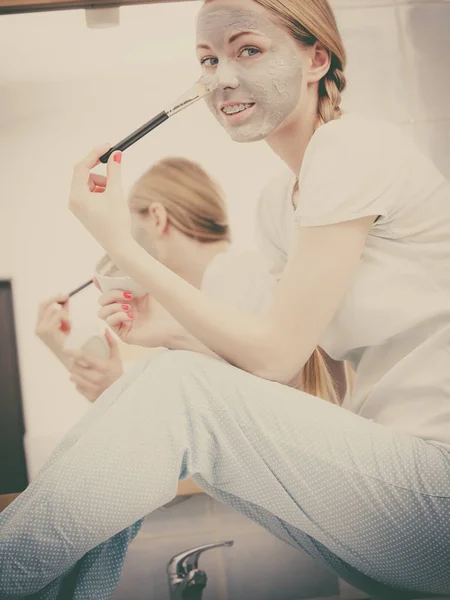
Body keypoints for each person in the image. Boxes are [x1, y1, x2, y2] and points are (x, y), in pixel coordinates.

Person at [1, 0, 449, 599]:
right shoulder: (277, 205)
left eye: (249, 50)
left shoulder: (353, 147)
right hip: (396, 491)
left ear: (317, 58)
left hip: (434, 489)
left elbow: (273, 358)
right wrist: (171, 333)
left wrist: (118, 244)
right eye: (208, 60)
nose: (222, 78)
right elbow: (294, 389)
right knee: (165, 388)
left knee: (176, 385)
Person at [35, 156, 344, 404]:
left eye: (132, 230)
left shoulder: (234, 275)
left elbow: (241, 404)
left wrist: (112, 386)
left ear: (157, 218)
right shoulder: (222, 285)